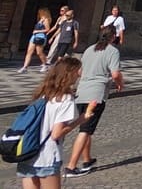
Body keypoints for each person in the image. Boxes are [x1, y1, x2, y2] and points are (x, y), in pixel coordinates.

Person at [62, 27, 123, 178]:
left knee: (86, 128)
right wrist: (119, 83)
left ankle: (87, 160)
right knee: (85, 130)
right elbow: (115, 73)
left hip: (82, 91)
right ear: (113, 36)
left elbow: (80, 72)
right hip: (96, 94)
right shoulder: (112, 51)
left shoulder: (89, 49)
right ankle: (71, 166)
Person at [17, 56, 85, 188]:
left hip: (27, 152)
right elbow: (56, 134)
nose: (79, 75)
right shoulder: (65, 99)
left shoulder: (43, 93)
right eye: (77, 71)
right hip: (47, 155)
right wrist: (80, 120)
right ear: (69, 73)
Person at [20, 8, 53, 73]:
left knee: (39, 52)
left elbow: (47, 29)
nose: (39, 13)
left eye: (40, 12)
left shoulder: (46, 20)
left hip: (40, 36)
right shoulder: (40, 20)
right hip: (34, 36)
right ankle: (25, 67)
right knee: (29, 52)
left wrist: (37, 31)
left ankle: (45, 64)